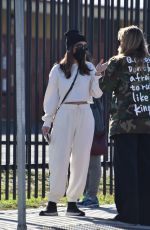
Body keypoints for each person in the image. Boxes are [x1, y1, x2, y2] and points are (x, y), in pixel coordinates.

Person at [40, 29, 103, 216]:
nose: (83, 49)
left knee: (81, 159)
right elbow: (51, 97)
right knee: (59, 157)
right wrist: (47, 121)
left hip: (85, 112)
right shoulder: (58, 70)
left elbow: (96, 94)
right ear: (70, 48)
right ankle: (52, 202)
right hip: (64, 113)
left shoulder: (89, 68)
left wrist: (97, 75)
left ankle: (73, 202)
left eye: (84, 46)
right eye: (78, 46)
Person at [96, 25, 150, 225]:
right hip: (148, 125)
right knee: (146, 169)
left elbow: (104, 87)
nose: (118, 44)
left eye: (120, 40)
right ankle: (146, 214)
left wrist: (99, 73)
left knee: (127, 169)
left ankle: (129, 213)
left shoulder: (118, 62)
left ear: (125, 42)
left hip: (124, 125)